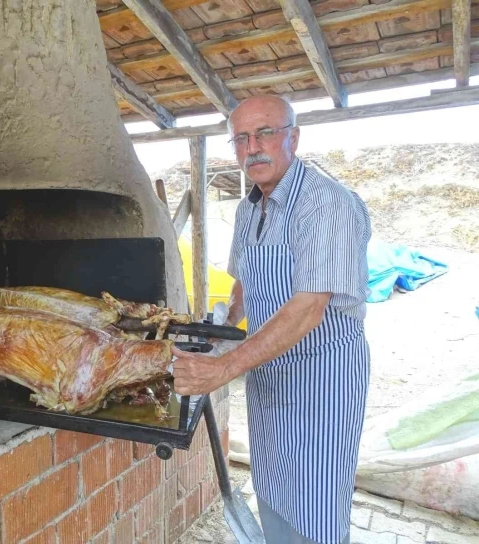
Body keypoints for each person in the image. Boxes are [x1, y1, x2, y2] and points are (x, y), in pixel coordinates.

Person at [171, 95, 371, 544]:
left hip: (320, 379)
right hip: (267, 374)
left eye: (265, 133)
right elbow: (246, 282)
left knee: (315, 498)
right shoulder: (249, 208)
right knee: (274, 484)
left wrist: (224, 367)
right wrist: (221, 327)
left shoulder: (325, 205)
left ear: (293, 137)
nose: (252, 147)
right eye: (241, 137)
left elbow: (309, 306)